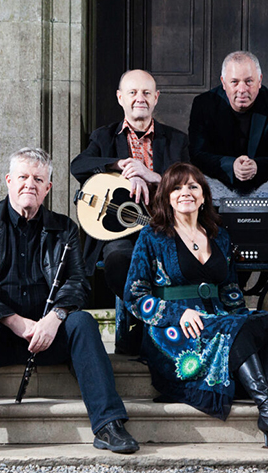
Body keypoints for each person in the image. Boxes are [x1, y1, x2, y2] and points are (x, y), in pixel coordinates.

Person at [0, 148, 138, 458]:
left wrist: (54, 319)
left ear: (48, 188)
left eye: (38, 179)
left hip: (48, 337)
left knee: (82, 322)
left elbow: (79, 283)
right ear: (9, 181)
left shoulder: (65, 228)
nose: (30, 184)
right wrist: (13, 320)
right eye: (24, 177)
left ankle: (109, 425)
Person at [123, 162, 268, 449]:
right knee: (237, 329)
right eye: (176, 187)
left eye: (192, 186)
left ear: (203, 195)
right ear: (167, 197)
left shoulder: (219, 236)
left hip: (219, 318)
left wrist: (243, 318)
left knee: (267, 323)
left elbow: (231, 290)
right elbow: (135, 296)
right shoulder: (153, 235)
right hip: (176, 328)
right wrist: (178, 312)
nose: (185, 192)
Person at [71, 69, 189, 354]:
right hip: (121, 234)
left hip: (166, 228)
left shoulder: (176, 140)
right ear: (120, 98)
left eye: (147, 93)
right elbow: (78, 166)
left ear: (156, 98)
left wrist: (153, 175)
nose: (140, 99)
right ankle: (153, 326)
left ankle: (153, 331)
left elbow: (190, 182)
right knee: (118, 260)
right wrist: (121, 166)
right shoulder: (104, 137)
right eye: (133, 93)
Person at [188, 51, 268, 191]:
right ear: (223, 83)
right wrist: (231, 165)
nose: (242, 89)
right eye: (234, 82)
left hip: (266, 190)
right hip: (214, 195)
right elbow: (196, 155)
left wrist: (257, 166)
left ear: (260, 80)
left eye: (249, 81)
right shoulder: (204, 105)